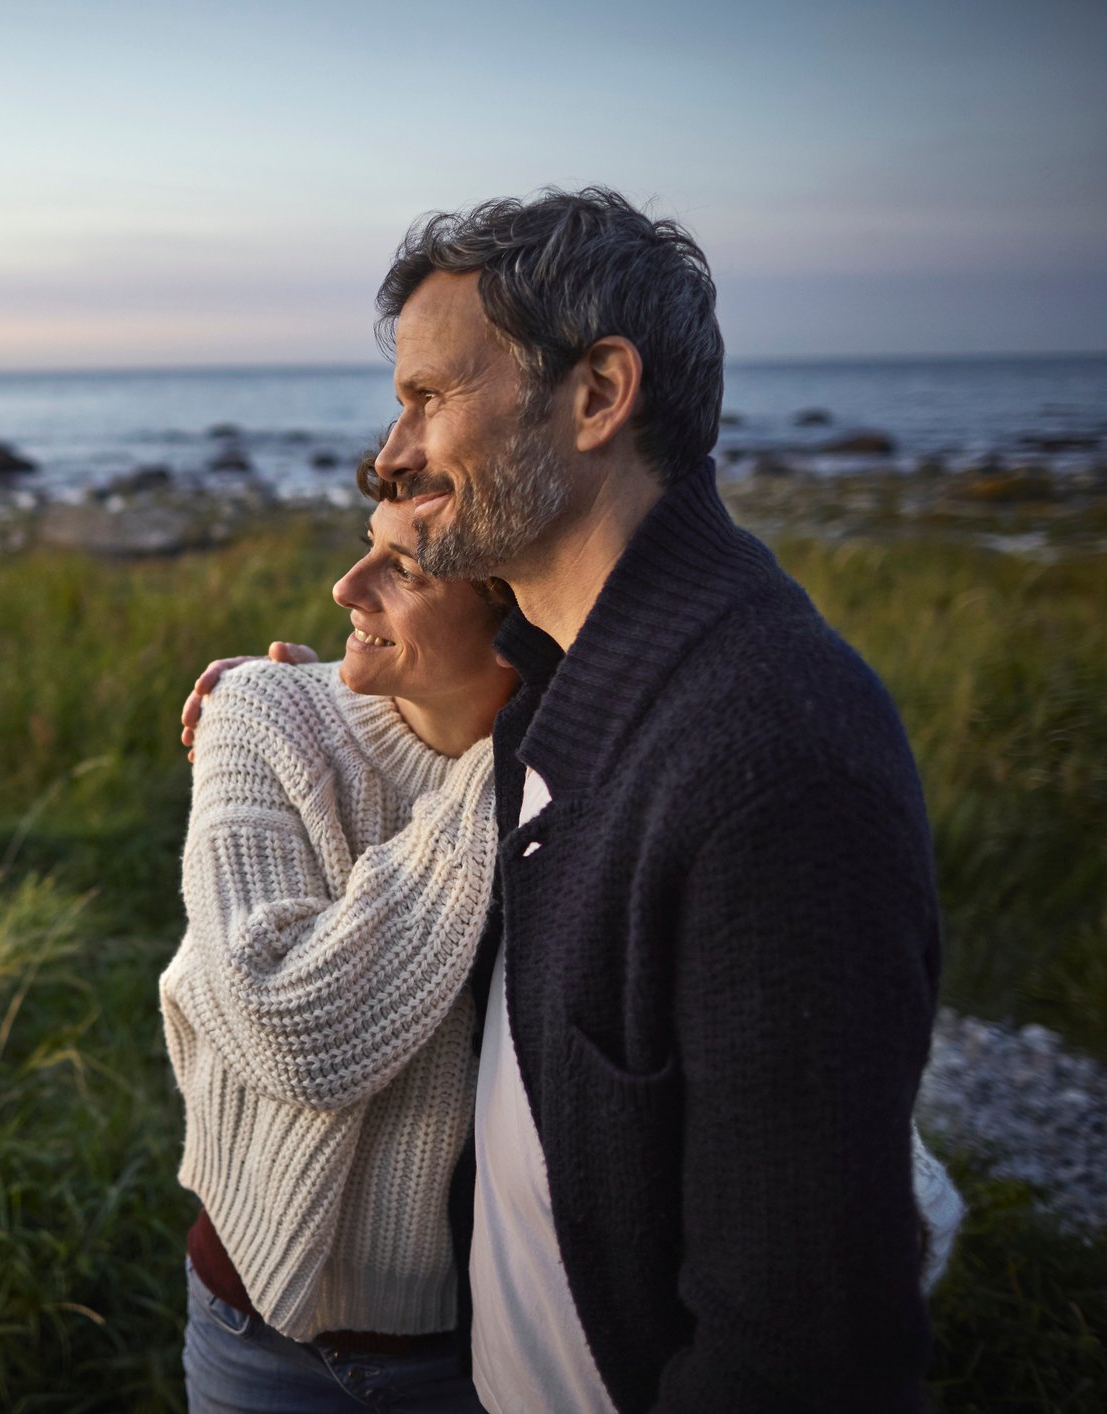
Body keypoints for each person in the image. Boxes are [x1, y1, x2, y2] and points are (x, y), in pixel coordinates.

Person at [180, 188, 950, 1412]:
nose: (393, 454)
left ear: (597, 394)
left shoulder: (770, 758)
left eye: (431, 397)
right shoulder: (562, 691)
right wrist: (281, 701)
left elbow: (799, 1347)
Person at [163, 485, 514, 1412]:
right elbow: (288, 1027)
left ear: (522, 614)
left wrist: (524, 754)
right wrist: (503, 774)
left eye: (404, 569)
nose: (343, 586)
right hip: (254, 1334)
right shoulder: (260, 710)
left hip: (481, 1351)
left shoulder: (576, 782)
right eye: (368, 546)